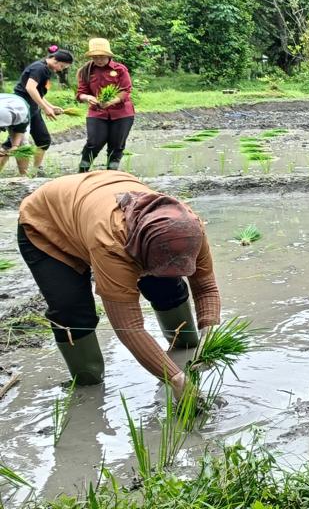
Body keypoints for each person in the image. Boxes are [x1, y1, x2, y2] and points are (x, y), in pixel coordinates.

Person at [18, 172, 222, 392]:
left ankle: (185, 344)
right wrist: (176, 379)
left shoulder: (191, 229)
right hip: (48, 222)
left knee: (166, 285)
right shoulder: (112, 245)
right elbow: (129, 327)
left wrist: (209, 335)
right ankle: (88, 382)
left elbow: (205, 288)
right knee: (72, 310)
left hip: (95, 197)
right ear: (140, 252)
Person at [75, 38, 135, 172]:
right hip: (97, 112)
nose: (99, 60)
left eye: (102, 57)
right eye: (95, 57)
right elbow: (80, 93)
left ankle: (111, 173)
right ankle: (82, 171)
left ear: (108, 55)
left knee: (117, 144)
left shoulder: (120, 69)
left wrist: (111, 101)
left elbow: (125, 90)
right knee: (93, 143)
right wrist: (88, 97)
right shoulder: (85, 71)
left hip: (122, 113)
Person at [13, 48, 73, 176]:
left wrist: (50, 106)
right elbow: (30, 88)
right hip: (23, 108)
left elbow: (38, 93)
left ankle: (35, 171)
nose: (60, 69)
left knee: (43, 140)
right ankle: (22, 176)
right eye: (61, 66)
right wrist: (45, 108)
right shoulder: (39, 68)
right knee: (13, 144)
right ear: (54, 60)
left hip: (33, 109)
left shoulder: (45, 69)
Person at [0, 93, 32, 174]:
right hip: (3, 105)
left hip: (17, 107)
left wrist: (15, 146)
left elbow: (20, 130)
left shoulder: (22, 113)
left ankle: (23, 176)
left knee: (23, 145)